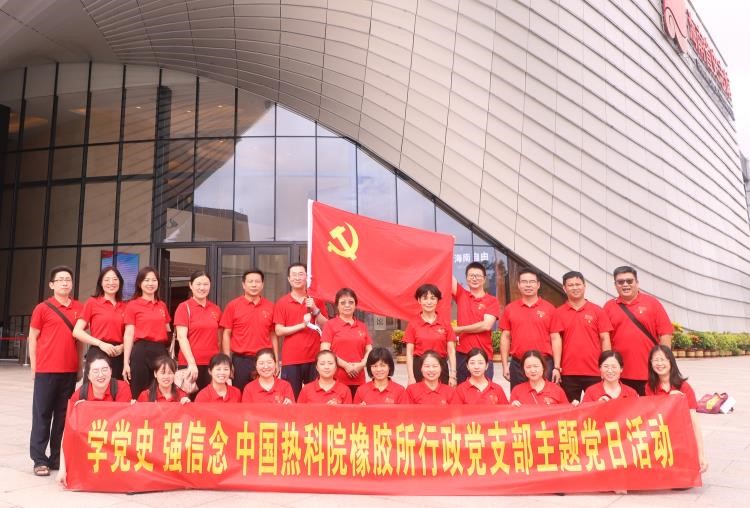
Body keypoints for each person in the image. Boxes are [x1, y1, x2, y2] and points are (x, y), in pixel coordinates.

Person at [28, 266, 84, 477]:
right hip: (46, 370)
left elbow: (79, 341)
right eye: (60, 279)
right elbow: (32, 338)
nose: (64, 283)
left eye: (68, 279)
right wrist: (34, 367)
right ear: (52, 284)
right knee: (42, 415)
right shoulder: (42, 308)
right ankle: (39, 459)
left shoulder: (79, 307)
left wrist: (79, 367)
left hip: (69, 371)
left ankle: (56, 457)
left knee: (62, 416)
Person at [56, 352, 131, 488]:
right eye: (95, 371)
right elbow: (67, 434)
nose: (100, 375)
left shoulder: (122, 388)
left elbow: (126, 423)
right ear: (89, 376)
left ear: (111, 371)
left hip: (116, 445)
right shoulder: (80, 395)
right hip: (91, 447)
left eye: (104, 370)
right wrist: (62, 469)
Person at [603, 266, 672, 395]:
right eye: (620, 282)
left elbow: (665, 333)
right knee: (624, 407)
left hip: (650, 372)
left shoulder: (652, 303)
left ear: (637, 282)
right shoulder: (609, 307)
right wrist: (607, 366)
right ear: (615, 285)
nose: (625, 285)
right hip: (619, 373)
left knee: (651, 406)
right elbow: (604, 338)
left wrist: (665, 361)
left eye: (629, 281)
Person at [552, 271, 613, 402]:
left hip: (595, 371)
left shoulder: (597, 311)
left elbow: (605, 339)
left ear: (584, 286)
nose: (575, 288)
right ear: (564, 288)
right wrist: (557, 367)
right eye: (570, 285)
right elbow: (556, 340)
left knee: (597, 408)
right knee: (569, 409)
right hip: (568, 372)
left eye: (578, 284)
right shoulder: (558, 313)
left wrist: (607, 365)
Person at [646, 345, 707, 472]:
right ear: (651, 363)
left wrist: (701, 454)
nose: (659, 363)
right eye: (655, 360)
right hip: (660, 441)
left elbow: (694, 423)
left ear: (671, 362)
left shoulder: (684, 387)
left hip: (681, 440)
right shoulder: (649, 387)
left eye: (663, 359)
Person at [499, 268, 562, 391]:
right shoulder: (510, 309)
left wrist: (556, 367)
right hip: (518, 364)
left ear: (538, 285)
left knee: (545, 398)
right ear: (518, 285)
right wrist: (505, 365)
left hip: (544, 364)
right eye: (524, 282)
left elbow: (555, 338)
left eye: (532, 282)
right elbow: (505, 337)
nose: (528, 285)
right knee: (519, 398)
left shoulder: (550, 309)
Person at [274, 263, 328, 398]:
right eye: (294, 275)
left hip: (315, 358)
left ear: (306, 277)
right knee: (291, 398)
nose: (297, 278)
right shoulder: (282, 302)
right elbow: (279, 331)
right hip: (291, 359)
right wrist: (302, 325)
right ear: (289, 279)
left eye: (301, 274)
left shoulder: (316, 300)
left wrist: (315, 309)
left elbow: (326, 326)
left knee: (315, 398)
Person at [220, 269, 276, 393]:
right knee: (239, 394)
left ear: (262, 284)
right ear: (243, 284)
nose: (254, 285)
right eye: (250, 282)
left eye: (257, 282)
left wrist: (276, 359)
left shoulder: (270, 306)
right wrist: (228, 361)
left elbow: (273, 334)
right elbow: (226, 334)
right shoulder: (233, 306)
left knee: (264, 394)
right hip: (241, 360)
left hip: (264, 360)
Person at [122, 267, 171, 398]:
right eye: (146, 280)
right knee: (139, 392)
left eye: (154, 280)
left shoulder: (162, 305)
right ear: (139, 283)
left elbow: (168, 330)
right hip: (141, 351)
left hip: (160, 351)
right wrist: (126, 363)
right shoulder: (132, 305)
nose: (150, 283)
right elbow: (128, 334)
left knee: (161, 391)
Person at [72, 267, 127, 380]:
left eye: (115, 279)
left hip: (118, 354)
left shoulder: (126, 306)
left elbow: (131, 334)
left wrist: (122, 347)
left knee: (117, 388)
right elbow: (77, 331)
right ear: (101, 283)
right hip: (98, 352)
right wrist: (101, 344)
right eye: (107, 279)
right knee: (94, 389)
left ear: (120, 282)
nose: (111, 283)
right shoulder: (92, 303)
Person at [451, 262, 500, 383]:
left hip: (483, 355)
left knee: (484, 390)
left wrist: (459, 329)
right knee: (462, 390)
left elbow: (486, 325)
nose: (474, 278)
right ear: (466, 278)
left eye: (478, 276)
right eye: (471, 275)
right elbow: (447, 274)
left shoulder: (492, 301)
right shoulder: (461, 295)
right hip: (463, 355)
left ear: (484, 279)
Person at [174, 270, 222, 391]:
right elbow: (181, 337)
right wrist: (191, 363)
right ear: (190, 285)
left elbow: (219, 338)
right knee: (188, 400)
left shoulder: (215, 309)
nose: (202, 288)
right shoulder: (184, 307)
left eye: (205, 284)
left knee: (210, 399)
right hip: (189, 364)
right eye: (198, 284)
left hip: (212, 365)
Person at [321, 288, 373, 398]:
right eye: (343, 302)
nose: (347, 305)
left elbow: (369, 350)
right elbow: (325, 350)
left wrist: (361, 365)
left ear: (355, 305)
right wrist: (346, 365)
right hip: (336, 379)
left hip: (359, 378)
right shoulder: (330, 325)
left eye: (351, 302)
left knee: (358, 408)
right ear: (337, 305)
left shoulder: (362, 326)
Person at [404, 284, 457, 386]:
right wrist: (411, 377)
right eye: (425, 298)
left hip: (440, 366)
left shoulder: (445, 323)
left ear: (437, 300)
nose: (429, 302)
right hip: (419, 367)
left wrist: (453, 375)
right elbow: (409, 353)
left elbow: (451, 351)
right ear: (419, 300)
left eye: (432, 298)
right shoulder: (413, 323)